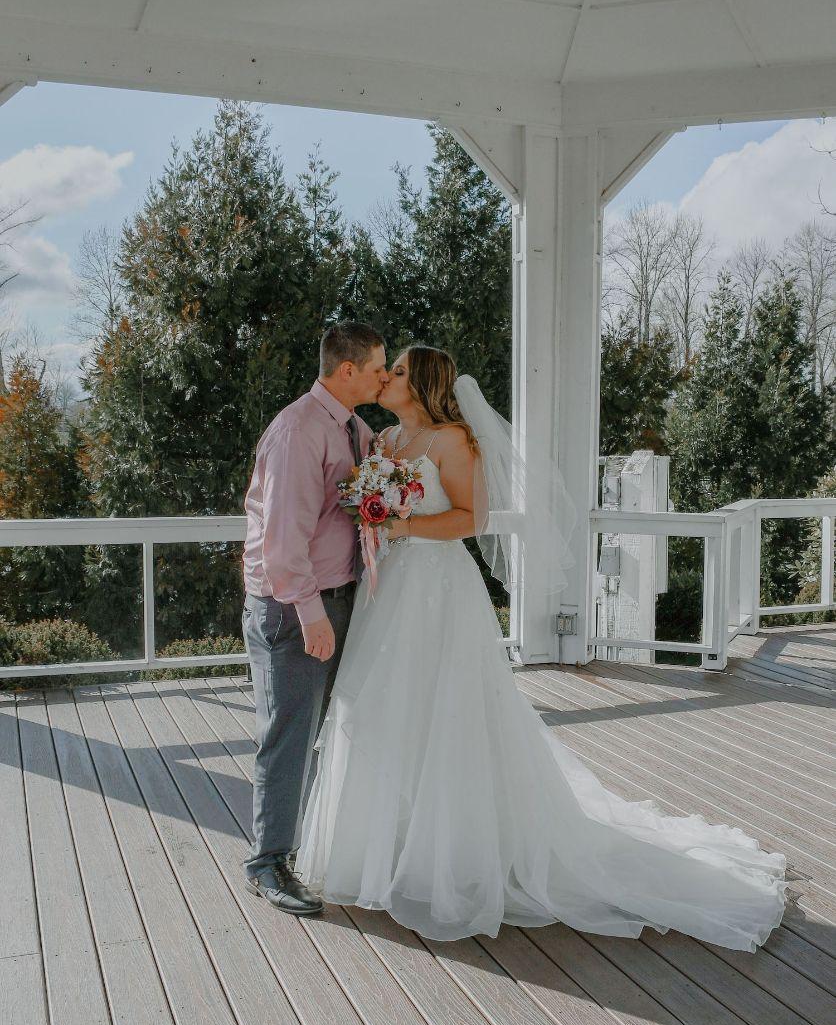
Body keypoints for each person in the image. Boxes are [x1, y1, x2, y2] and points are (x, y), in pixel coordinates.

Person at [294, 344, 806, 949]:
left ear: (424, 382)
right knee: (387, 710)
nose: (386, 377)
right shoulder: (384, 441)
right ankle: (385, 849)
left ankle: (450, 855)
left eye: (398, 370)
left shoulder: (452, 442)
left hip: (437, 589)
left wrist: (400, 524)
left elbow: (472, 519)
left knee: (447, 711)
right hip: (390, 591)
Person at [241, 321, 388, 914]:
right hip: (294, 605)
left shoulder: (354, 429)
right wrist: (311, 614)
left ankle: (304, 848)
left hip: (338, 596)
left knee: (321, 730)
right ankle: (268, 863)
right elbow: (282, 544)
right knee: (289, 733)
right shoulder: (299, 431)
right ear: (347, 370)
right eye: (378, 367)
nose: (385, 376)